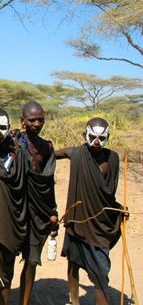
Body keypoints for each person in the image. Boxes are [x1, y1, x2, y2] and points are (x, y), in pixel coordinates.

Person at [56, 117, 126, 305]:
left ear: (108, 137)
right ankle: (74, 300)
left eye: (101, 138)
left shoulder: (112, 158)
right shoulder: (76, 154)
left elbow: (108, 194)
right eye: (92, 137)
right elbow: (50, 154)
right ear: (84, 135)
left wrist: (118, 209)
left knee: (101, 274)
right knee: (73, 263)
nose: (96, 142)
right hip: (77, 220)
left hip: (99, 225)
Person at [0, 107, 28, 304]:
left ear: (9, 127)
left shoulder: (18, 152)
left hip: (11, 218)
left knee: (6, 269)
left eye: (2, 127)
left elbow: (25, 185)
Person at [16, 101, 58, 304]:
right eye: (32, 120)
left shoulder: (47, 147)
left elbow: (48, 183)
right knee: (5, 259)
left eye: (41, 119)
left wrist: (54, 212)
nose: (36, 124)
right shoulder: (13, 142)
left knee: (31, 261)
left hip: (38, 212)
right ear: (22, 121)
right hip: (15, 209)